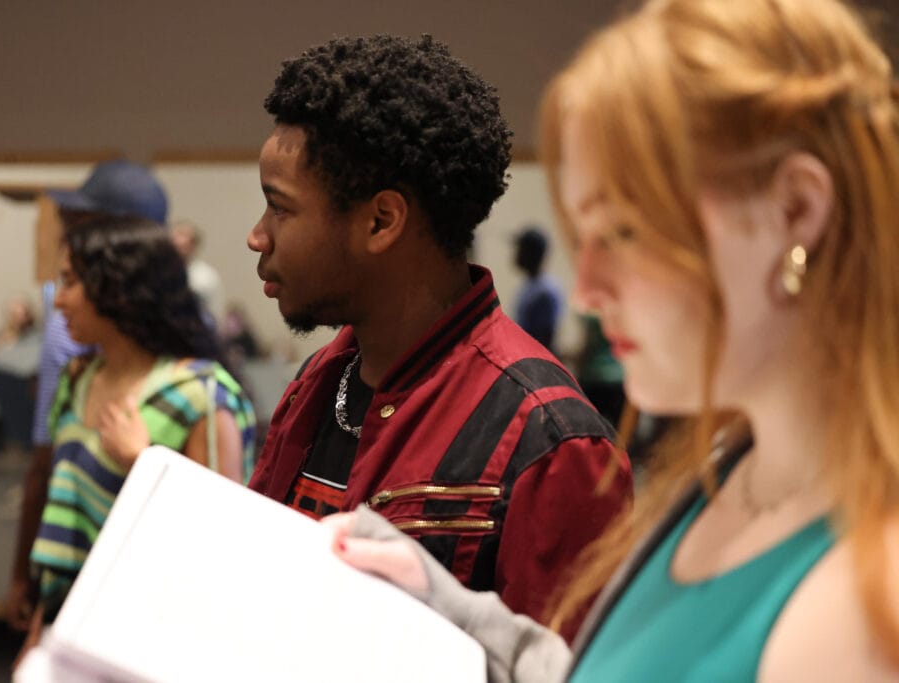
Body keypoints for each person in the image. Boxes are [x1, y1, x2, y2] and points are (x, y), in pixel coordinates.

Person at [329, 0, 899, 680]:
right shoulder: (732, 462)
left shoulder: (870, 601)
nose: (591, 289)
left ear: (795, 210)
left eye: (625, 231)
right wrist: (452, 615)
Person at [247, 34, 632, 639]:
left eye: (280, 208)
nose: (257, 236)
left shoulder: (551, 441)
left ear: (381, 221)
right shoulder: (319, 382)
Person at [16, 216, 256, 660]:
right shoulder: (79, 380)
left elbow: (225, 541)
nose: (59, 301)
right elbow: (63, 521)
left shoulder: (199, 393)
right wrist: (36, 635)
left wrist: (144, 462)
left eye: (70, 282)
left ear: (118, 287)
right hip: (64, 631)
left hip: (145, 638)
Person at [6, 159, 173, 631]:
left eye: (83, 227)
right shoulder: (79, 352)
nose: (61, 297)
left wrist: (23, 577)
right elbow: (51, 473)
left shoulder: (196, 383)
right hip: (91, 596)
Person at [512, 226, 563, 351]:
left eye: (520, 249)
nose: (516, 254)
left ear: (531, 253)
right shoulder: (529, 286)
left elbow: (544, 339)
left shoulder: (545, 291)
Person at [171, 220, 226, 328]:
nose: (178, 241)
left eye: (183, 236)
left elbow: (214, 316)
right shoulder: (159, 271)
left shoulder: (206, 277)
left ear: (193, 245)